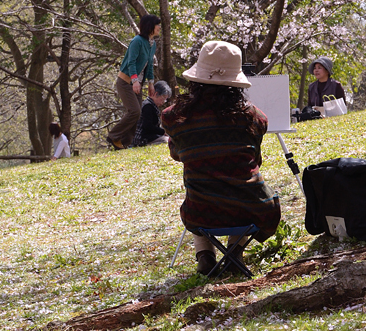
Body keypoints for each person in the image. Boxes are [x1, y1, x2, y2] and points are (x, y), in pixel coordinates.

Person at [162, 41, 281, 276]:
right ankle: (234, 252)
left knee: (202, 191)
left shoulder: (175, 117)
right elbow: (255, 158)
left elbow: (178, 153)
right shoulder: (254, 118)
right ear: (235, 84)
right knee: (239, 191)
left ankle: (205, 255)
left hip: (201, 211)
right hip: (251, 208)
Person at [108, 14, 161, 150]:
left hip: (137, 83)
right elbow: (131, 62)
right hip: (126, 82)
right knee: (134, 111)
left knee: (138, 115)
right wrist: (135, 80)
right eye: (157, 24)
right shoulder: (137, 41)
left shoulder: (152, 44)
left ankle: (125, 143)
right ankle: (114, 135)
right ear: (150, 26)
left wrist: (150, 83)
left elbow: (149, 65)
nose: (159, 27)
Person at [133, 80, 171, 147]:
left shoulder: (151, 105)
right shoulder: (148, 106)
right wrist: (163, 132)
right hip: (143, 139)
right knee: (168, 140)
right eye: (163, 98)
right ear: (156, 94)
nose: (164, 102)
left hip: (149, 137)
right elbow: (148, 126)